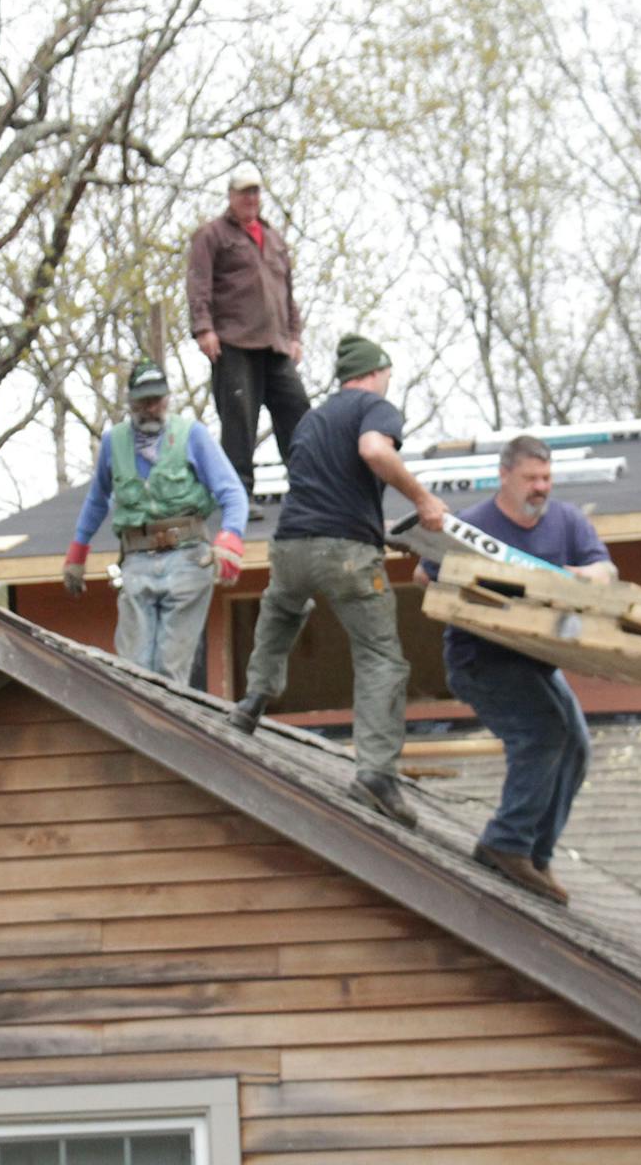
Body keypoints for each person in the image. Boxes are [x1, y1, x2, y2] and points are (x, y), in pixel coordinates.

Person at [231, 334, 445, 829]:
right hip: (344, 555)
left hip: (289, 547)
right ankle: (375, 775)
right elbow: (373, 451)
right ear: (377, 371)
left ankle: (252, 700)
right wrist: (423, 500)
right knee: (380, 658)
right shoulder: (374, 407)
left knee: (282, 610)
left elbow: (326, 493)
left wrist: (381, 530)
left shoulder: (311, 420)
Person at [424, 435, 615, 906]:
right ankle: (504, 844)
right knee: (544, 733)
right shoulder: (473, 526)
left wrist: (571, 576)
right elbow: (424, 576)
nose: (541, 488)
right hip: (481, 659)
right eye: (531, 478)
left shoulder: (567, 522)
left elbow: (604, 572)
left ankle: (536, 853)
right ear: (504, 476)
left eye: (546, 478)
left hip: (537, 661)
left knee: (577, 746)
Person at [63, 361, 248, 684]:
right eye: (143, 402)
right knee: (133, 670)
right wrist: (78, 550)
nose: (151, 408)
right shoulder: (113, 443)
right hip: (137, 561)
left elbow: (232, 492)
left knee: (169, 670)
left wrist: (231, 537)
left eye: (157, 400)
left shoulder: (192, 435)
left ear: (167, 399)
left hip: (189, 559)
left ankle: (168, 730)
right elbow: (97, 500)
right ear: (130, 403)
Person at [186, 163, 309, 491]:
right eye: (244, 192)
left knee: (297, 408)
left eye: (255, 191)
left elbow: (288, 293)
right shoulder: (212, 234)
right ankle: (238, 494)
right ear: (231, 195)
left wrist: (295, 335)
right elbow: (198, 283)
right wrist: (203, 328)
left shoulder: (274, 238)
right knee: (239, 420)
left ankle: (308, 487)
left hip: (277, 343)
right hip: (234, 341)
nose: (251, 198)